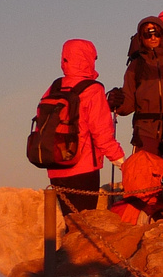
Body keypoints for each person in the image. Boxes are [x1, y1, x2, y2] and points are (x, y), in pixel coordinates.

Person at [45, 39, 125, 211]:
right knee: (83, 225)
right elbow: (102, 134)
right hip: (83, 166)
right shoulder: (93, 89)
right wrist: (122, 162)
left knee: (70, 222)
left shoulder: (55, 87)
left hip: (55, 167)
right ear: (89, 58)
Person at [108, 17, 163, 157]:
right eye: (148, 34)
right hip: (145, 132)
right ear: (141, 38)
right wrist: (116, 103)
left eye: (157, 33)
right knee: (146, 175)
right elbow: (129, 103)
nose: (153, 37)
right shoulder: (136, 66)